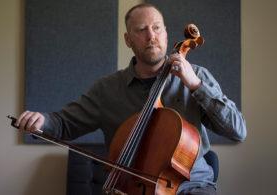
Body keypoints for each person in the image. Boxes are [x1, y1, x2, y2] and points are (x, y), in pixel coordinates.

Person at [16, 3, 247, 195]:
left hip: (192, 188)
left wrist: (195, 86)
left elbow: (238, 131)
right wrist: (42, 121)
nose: (151, 36)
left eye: (157, 28)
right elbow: (64, 124)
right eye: (141, 30)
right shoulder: (107, 89)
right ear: (128, 39)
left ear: (166, 33)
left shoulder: (196, 76)